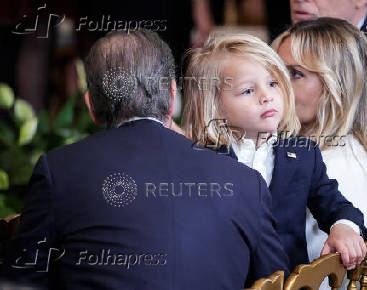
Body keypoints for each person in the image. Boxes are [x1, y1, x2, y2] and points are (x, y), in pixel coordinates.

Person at [2, 30, 290, 289]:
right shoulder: (245, 182)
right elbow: (277, 281)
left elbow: (21, 282)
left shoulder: (59, 171)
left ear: (91, 105)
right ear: (171, 94)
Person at [181, 33, 367, 273]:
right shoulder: (199, 159)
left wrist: (343, 227)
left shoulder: (303, 154)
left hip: (289, 281)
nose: (266, 96)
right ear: (214, 104)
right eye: (248, 90)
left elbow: (336, 206)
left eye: (273, 84)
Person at [275, 17, 367, 289]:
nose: (277, 86)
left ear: (337, 86)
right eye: (274, 72)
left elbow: (300, 278)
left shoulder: (324, 166)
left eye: (296, 74)